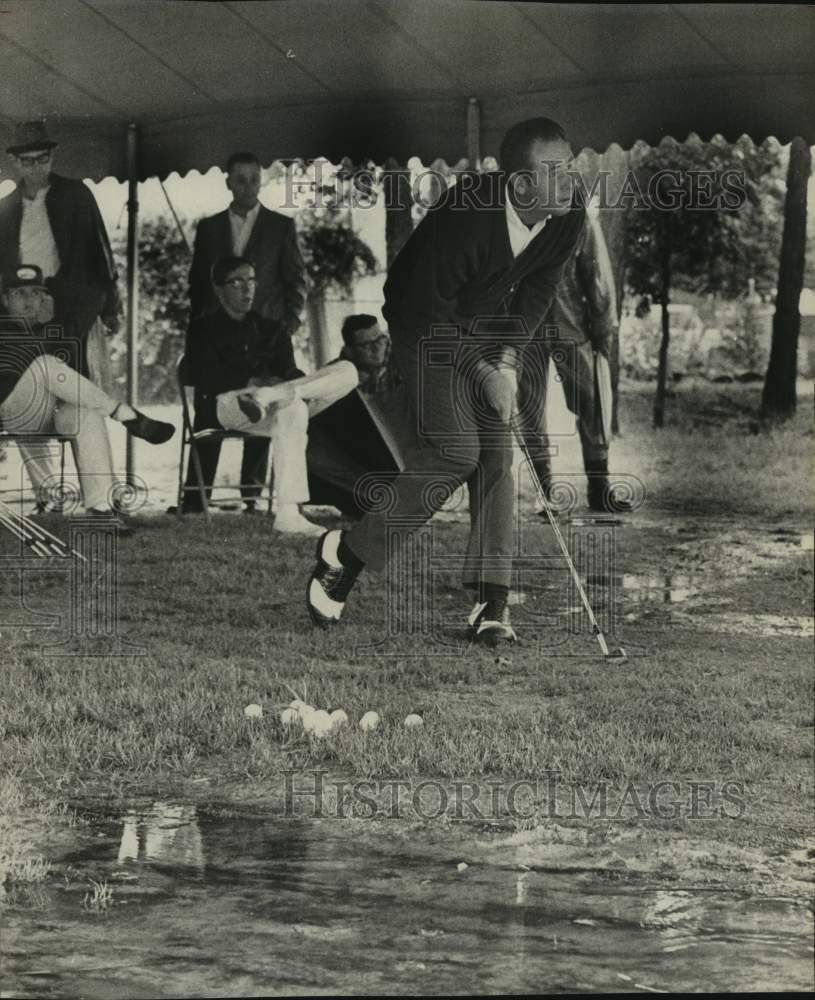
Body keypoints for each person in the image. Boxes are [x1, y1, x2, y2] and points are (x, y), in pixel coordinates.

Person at [306, 117, 586, 644]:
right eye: (558, 170)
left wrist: (504, 361)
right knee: (457, 452)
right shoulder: (467, 212)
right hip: (422, 325)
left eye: (571, 164)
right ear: (521, 184)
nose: (572, 177)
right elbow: (422, 309)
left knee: (497, 456)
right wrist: (483, 371)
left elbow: (537, 294)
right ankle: (345, 555)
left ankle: (490, 603)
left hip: (484, 331)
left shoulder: (567, 216)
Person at [183, 255, 357, 535]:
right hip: (228, 404)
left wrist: (291, 384)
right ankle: (289, 510)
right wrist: (253, 381)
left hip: (273, 402)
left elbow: (288, 369)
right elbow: (206, 378)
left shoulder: (271, 328)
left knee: (347, 370)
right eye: (237, 282)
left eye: (251, 280)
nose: (247, 288)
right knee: (293, 408)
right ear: (219, 289)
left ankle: (287, 514)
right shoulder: (203, 329)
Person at [0, 265, 175, 528]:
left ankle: (101, 509)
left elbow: (95, 295)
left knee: (86, 412)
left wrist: (54, 299)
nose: (29, 301)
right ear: (4, 298)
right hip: (13, 413)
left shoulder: (55, 326)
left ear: (45, 297)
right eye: (20, 294)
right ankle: (123, 413)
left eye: (36, 293)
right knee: (45, 364)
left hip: (50, 412)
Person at [185, 152, 307, 514]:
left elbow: (295, 277)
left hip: (267, 327)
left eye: (254, 178)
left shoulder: (280, 226)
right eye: (240, 179)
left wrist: (291, 319)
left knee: (267, 399)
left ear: (261, 181)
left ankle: (252, 496)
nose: (247, 186)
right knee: (208, 408)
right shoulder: (209, 227)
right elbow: (196, 280)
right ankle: (195, 495)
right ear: (227, 182)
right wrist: (199, 319)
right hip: (216, 329)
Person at [517, 211, 634, 513]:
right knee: (529, 407)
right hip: (524, 325)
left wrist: (603, 325)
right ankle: (545, 493)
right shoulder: (510, 214)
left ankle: (600, 488)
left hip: (571, 323)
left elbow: (595, 273)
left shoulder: (578, 217)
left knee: (592, 399)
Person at [0, 120, 122, 388]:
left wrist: (112, 306)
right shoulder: (6, 207)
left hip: (70, 302)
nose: (35, 167)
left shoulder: (75, 194)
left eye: (42, 159)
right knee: (28, 381)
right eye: (27, 161)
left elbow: (100, 250)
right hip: (24, 306)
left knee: (73, 379)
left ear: (52, 157)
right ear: (15, 162)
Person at [306, 314, 406, 517]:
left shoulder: (402, 363)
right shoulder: (337, 373)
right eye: (366, 344)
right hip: (352, 458)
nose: (377, 347)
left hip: (398, 452)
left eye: (380, 339)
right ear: (350, 350)